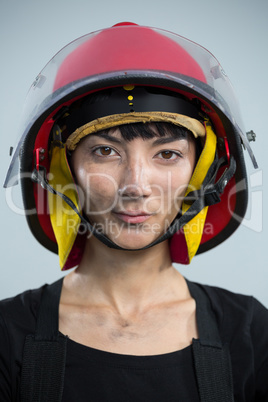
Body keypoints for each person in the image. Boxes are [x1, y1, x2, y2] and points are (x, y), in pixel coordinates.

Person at [1, 22, 267, 401]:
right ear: (62, 170)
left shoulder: (251, 333)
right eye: (104, 151)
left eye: (167, 154)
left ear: (203, 171)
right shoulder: (8, 334)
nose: (136, 186)